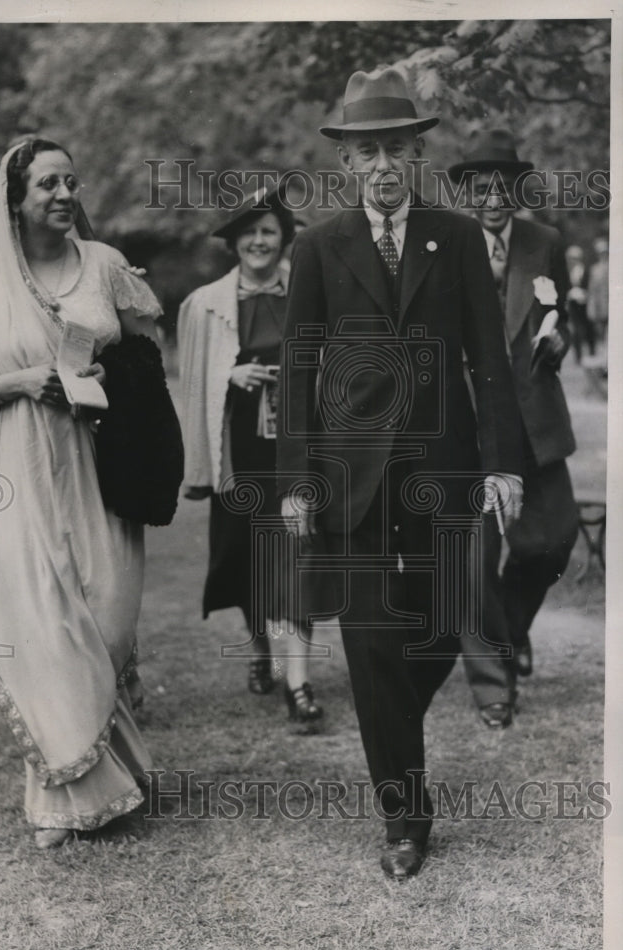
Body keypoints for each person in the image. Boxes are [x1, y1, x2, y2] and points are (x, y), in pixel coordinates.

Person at [276, 67, 524, 879]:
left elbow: (488, 360)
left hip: (445, 473)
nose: (382, 165)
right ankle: (403, 821)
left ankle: (392, 728)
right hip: (351, 479)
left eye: (395, 149)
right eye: (366, 152)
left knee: (451, 620)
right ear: (346, 163)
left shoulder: (452, 238)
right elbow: (298, 367)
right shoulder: (317, 246)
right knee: (372, 641)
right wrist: (294, 480)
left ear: (416, 155)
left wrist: (501, 466)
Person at [0, 138, 162, 847]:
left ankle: (117, 761)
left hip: (101, 457)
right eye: (47, 184)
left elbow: (145, 355)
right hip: (23, 461)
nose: (65, 194)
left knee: (106, 616)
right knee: (43, 622)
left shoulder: (104, 266)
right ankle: (67, 790)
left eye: (71, 181)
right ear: (15, 198)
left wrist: (107, 380)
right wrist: (15, 382)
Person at [178, 183, 324, 731]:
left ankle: (300, 683)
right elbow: (193, 383)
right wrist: (230, 375)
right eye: (250, 234)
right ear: (235, 243)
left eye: (270, 232)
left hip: (296, 448)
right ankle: (261, 647)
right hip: (239, 450)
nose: (260, 242)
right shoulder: (206, 305)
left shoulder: (308, 291)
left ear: (284, 239)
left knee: (298, 557)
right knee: (245, 560)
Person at [448, 130, 578, 697]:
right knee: (477, 556)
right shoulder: (446, 242)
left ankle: (510, 629)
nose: (493, 198)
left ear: (518, 188)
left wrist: (559, 340)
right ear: (467, 193)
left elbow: (559, 311)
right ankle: (493, 680)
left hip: (535, 416)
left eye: (503, 187)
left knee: (554, 541)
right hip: (472, 422)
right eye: (481, 188)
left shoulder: (544, 240)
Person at [586, 236, 609, 352]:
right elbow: (591, 289)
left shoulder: (613, 267)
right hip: (598, 304)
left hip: (611, 302)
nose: (603, 255)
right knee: (599, 331)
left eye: (605, 252)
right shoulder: (594, 269)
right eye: (601, 253)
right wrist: (591, 305)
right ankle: (603, 353)